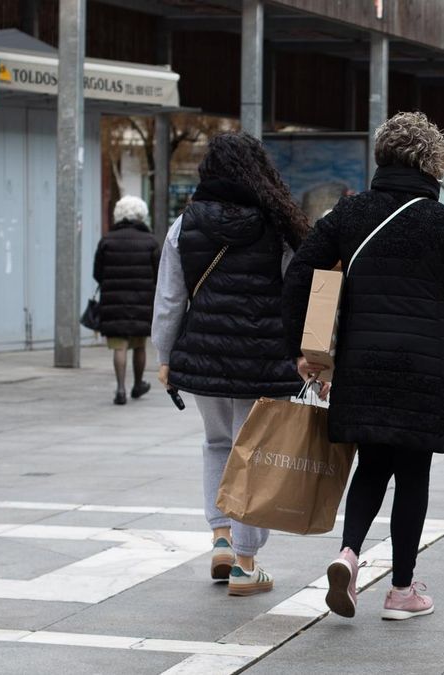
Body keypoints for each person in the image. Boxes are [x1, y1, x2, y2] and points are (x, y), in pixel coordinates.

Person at [284, 112, 444, 621]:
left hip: (363, 362)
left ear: (382, 157)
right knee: (413, 475)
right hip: (424, 367)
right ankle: (401, 591)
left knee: (372, 466)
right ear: (431, 163)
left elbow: (299, 276)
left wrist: (302, 348)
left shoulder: (350, 214)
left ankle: (349, 554)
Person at [152, 132, 307, 596]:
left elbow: (169, 299)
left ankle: (220, 537)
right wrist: (305, 352)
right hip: (263, 359)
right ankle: (244, 561)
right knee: (252, 453)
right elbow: (294, 295)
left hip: (205, 356)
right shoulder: (277, 224)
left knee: (216, 444)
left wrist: (165, 356)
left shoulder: (185, 225)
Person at [93, 195, 160, 405]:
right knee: (139, 345)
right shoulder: (150, 241)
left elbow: (97, 273)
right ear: (141, 215)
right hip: (142, 300)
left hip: (113, 300)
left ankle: (120, 389)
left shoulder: (107, 240)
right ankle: (138, 384)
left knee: (119, 346)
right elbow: (159, 273)